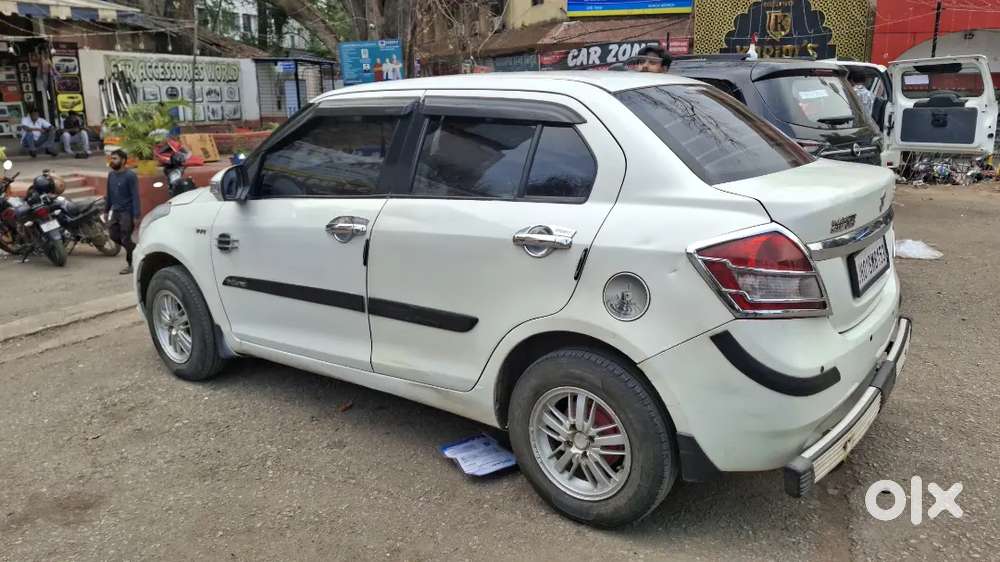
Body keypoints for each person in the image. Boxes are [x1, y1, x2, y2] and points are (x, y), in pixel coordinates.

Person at [105, 149, 140, 274]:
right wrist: (106, 210)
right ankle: (136, 250)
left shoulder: (130, 176)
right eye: (111, 158)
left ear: (123, 160)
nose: (112, 161)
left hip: (127, 212)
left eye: (115, 159)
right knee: (113, 235)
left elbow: (135, 195)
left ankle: (131, 264)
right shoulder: (111, 175)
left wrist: (136, 215)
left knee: (125, 238)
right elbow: (109, 194)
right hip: (116, 211)